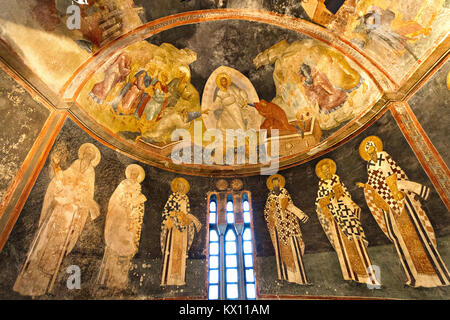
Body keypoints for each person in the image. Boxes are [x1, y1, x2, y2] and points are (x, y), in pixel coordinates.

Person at [357, 136, 450, 287]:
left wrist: (396, 191)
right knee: (401, 240)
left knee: (417, 234)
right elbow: (375, 184)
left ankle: (437, 276)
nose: (370, 148)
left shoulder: (383, 156)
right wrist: (367, 187)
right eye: (367, 148)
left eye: (371, 145)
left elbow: (393, 174)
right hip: (387, 203)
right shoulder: (370, 165)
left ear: (376, 146)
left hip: (400, 199)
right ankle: (414, 278)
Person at [13, 143, 101, 296]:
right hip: (60, 208)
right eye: (86, 152)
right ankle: (26, 280)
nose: (88, 154)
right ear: (83, 153)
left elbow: (88, 194)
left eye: (90, 153)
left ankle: (42, 286)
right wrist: (56, 165)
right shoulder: (74, 165)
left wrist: (81, 201)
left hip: (71, 214)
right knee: (45, 239)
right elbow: (60, 180)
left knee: (56, 249)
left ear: (93, 158)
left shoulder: (90, 172)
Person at [315, 159, 379, 286]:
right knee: (342, 248)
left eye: (328, 169)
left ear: (331, 169)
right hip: (334, 219)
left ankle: (369, 278)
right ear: (321, 173)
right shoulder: (321, 186)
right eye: (324, 170)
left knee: (356, 242)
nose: (326, 171)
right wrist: (328, 200)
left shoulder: (339, 182)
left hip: (347, 216)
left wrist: (341, 197)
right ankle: (350, 276)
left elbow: (346, 197)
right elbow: (319, 203)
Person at [96, 164, 146, 290]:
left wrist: (135, 213)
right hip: (119, 219)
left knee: (126, 247)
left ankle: (120, 281)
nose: (134, 175)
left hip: (130, 224)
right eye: (132, 173)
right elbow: (115, 200)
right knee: (115, 246)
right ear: (129, 174)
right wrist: (126, 206)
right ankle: (108, 280)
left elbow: (139, 208)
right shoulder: (123, 185)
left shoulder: (138, 188)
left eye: (136, 174)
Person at [264, 174, 309, 285]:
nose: (276, 185)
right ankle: (284, 279)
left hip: (290, 227)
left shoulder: (285, 193)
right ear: (271, 185)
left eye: (277, 183)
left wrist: (301, 216)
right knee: (282, 252)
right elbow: (267, 212)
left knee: (295, 249)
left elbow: (290, 206)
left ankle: (300, 279)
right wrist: (271, 216)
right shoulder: (270, 198)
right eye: (274, 183)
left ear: (280, 184)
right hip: (278, 230)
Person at [160, 178, 202, 286]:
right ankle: (169, 278)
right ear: (176, 187)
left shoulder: (185, 198)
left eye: (183, 187)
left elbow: (186, 212)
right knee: (173, 250)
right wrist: (173, 215)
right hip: (174, 226)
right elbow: (166, 210)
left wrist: (189, 218)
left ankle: (179, 278)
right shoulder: (172, 197)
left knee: (181, 251)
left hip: (183, 226)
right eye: (179, 186)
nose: (181, 188)